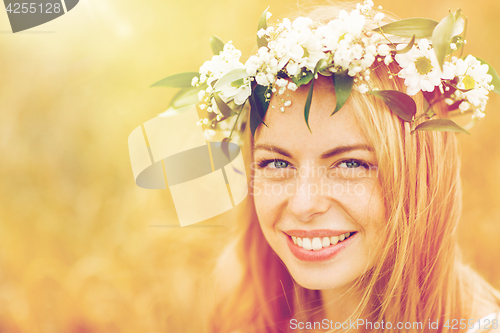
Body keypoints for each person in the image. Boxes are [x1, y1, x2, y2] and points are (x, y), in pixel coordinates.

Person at [136, 1, 500, 332]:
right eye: (276, 162)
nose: (303, 205)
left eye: (351, 163)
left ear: (419, 175)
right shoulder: (244, 309)